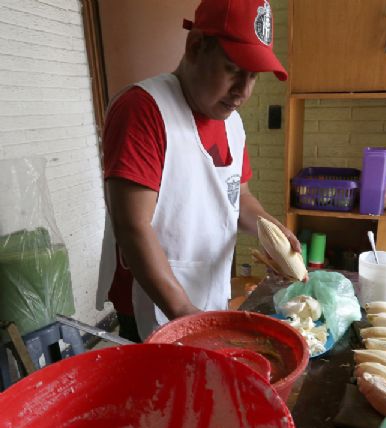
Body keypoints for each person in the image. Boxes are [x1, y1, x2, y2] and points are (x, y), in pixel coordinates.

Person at [95, 0, 298, 342]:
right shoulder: (144, 110)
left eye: (253, 77)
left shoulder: (231, 122)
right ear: (195, 46)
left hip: (206, 290)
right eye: (233, 70)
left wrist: (269, 228)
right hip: (156, 300)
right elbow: (132, 227)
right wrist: (185, 314)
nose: (243, 92)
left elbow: (238, 196)